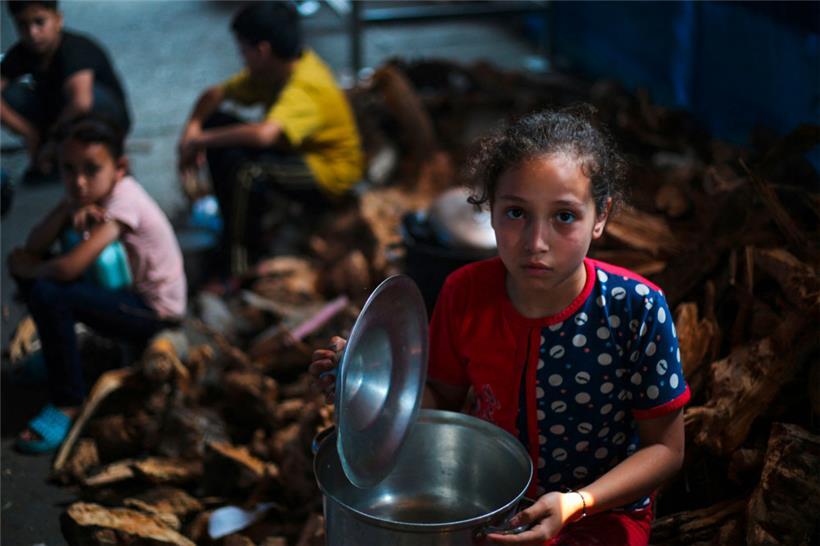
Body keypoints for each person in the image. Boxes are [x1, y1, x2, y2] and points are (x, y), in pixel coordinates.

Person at [310, 107, 690, 546]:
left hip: (600, 515)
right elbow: (439, 404)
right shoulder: (466, 292)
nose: (535, 243)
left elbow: (665, 450)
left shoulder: (637, 309)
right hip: (485, 508)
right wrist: (365, 382)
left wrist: (575, 503)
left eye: (564, 216)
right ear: (490, 209)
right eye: (515, 213)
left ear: (600, 216)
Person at [8, 113, 186, 454]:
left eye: (91, 169)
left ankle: (67, 402)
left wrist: (29, 268)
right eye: (69, 169)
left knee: (48, 288)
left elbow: (66, 269)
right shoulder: (93, 195)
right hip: (126, 295)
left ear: (120, 167)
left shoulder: (125, 200)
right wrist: (67, 208)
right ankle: (59, 355)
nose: (79, 182)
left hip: (154, 313)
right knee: (44, 267)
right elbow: (33, 246)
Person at [177, 1, 364, 277]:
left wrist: (200, 141)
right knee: (217, 125)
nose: (241, 57)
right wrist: (192, 131)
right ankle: (233, 222)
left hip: (328, 173)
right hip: (294, 151)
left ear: (262, 51)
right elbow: (215, 95)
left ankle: (239, 264)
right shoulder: (272, 69)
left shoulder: (306, 85)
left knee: (248, 173)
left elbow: (264, 135)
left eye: (243, 50)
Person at [1, 1, 131, 181]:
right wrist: (29, 132)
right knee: (11, 95)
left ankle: (102, 152)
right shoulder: (21, 53)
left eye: (40, 22)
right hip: (58, 119)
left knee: (89, 95)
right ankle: (56, 156)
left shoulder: (76, 49)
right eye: (23, 25)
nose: (33, 33)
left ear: (58, 19)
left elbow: (81, 103)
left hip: (101, 117)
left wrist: (52, 143)